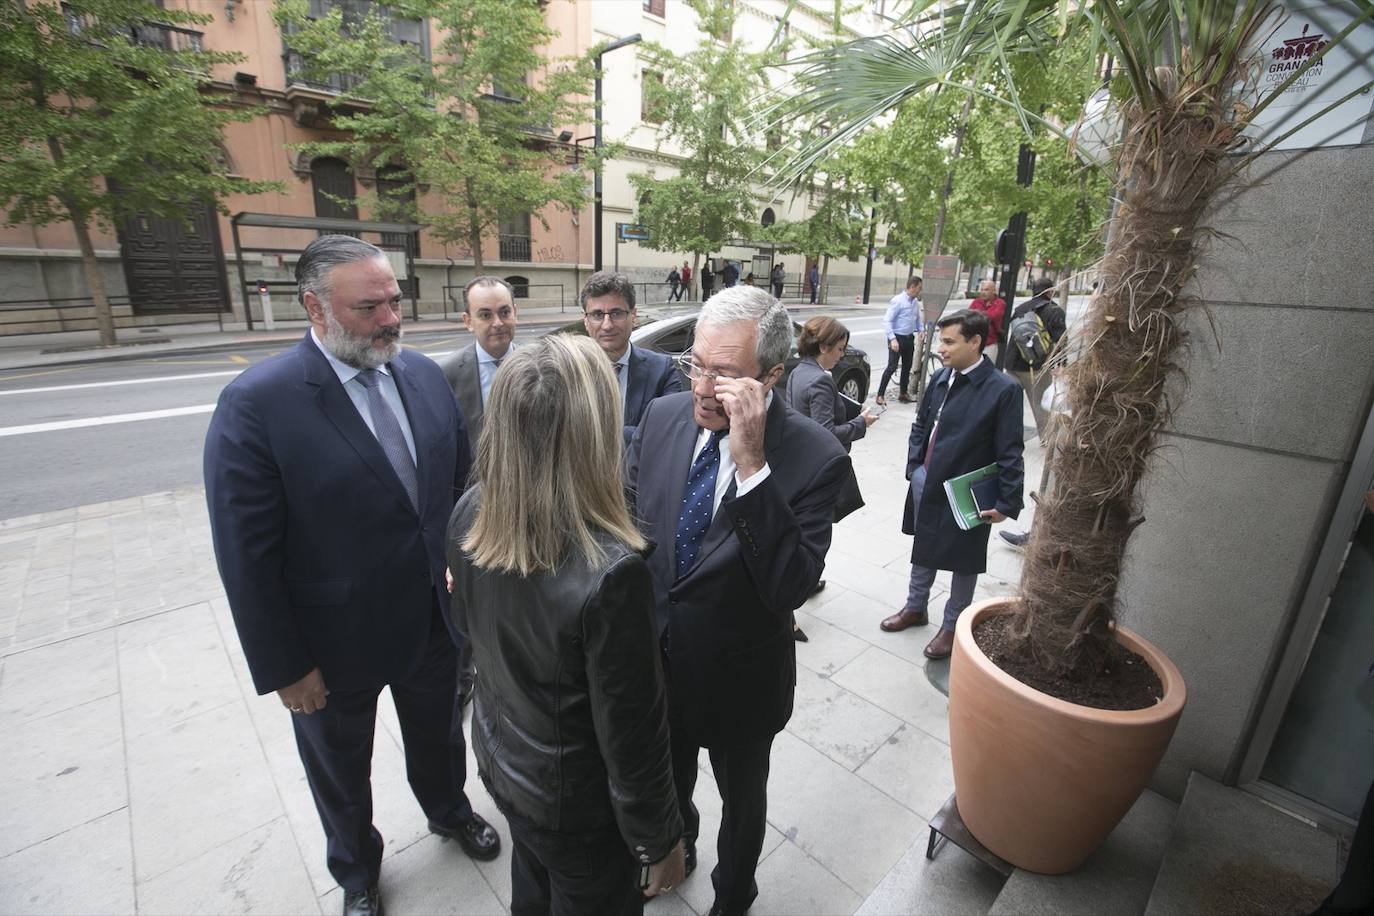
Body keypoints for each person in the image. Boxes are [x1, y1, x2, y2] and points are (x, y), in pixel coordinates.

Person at [203, 236, 500, 916]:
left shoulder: (422, 375)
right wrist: (285, 665)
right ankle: (358, 870)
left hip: (432, 620)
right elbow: (244, 554)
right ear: (314, 306)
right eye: (370, 307)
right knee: (338, 767)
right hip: (330, 646)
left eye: (395, 300)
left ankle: (448, 809)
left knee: (439, 734)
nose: (391, 319)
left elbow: (458, 490)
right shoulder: (257, 403)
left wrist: (466, 574)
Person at [626, 287, 851, 915]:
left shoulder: (815, 456)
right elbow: (632, 527)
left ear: (772, 375)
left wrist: (751, 463)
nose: (701, 386)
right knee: (672, 780)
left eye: (723, 374)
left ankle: (734, 893)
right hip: (660, 666)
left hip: (741, 680)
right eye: (695, 364)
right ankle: (683, 843)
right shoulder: (665, 417)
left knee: (743, 801)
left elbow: (789, 587)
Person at [446, 333, 686, 916]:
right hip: (576, 810)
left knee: (532, 887)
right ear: (595, 428)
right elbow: (633, 736)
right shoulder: (612, 575)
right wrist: (660, 841)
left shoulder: (472, 509)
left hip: (507, 770)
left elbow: (468, 632)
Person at [881, 308, 1024, 661]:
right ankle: (915, 608)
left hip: (968, 488)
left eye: (949, 341)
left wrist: (1008, 502)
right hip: (927, 479)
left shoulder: (1003, 390)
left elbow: (1010, 450)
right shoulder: (942, 377)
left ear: (975, 342)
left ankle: (952, 625)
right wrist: (914, 467)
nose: (941, 349)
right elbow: (921, 424)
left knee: (965, 559)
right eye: (940, 341)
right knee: (924, 545)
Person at [786, 315, 879, 641]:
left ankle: (807, 582)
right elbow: (826, 433)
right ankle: (789, 612)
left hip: (799, 465)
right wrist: (862, 424)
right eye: (839, 348)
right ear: (823, 346)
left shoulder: (800, 371)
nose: (842, 354)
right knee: (812, 539)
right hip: (818, 473)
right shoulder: (821, 380)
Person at [580, 271, 683, 445]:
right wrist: (638, 432)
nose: (607, 325)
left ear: (633, 315)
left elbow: (669, 433)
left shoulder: (662, 370)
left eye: (616, 313)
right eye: (597, 315)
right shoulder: (567, 372)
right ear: (585, 320)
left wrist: (594, 432)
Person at [439, 276, 518, 460]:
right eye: (485, 315)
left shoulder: (539, 364)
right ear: (468, 321)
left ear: (515, 313)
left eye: (504, 312)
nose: (498, 323)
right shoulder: (446, 374)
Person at [1005, 276, 1067, 439]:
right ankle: (1046, 438)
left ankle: (1006, 436)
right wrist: (1061, 365)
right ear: (1050, 292)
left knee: (1009, 405)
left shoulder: (1021, 308)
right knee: (1040, 404)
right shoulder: (1055, 311)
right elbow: (1061, 341)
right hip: (1035, 367)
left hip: (1011, 364)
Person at [876, 275, 922, 405]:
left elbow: (918, 319)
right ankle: (880, 394)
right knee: (892, 367)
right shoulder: (898, 301)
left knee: (907, 367)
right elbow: (887, 320)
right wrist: (892, 339)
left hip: (908, 338)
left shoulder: (915, 302)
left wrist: (921, 330)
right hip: (897, 338)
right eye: (919, 288)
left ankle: (903, 393)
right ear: (912, 287)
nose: (920, 291)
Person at [970, 279, 1007, 363]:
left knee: (986, 371)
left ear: (994, 291)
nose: (983, 292)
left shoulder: (1000, 303)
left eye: (986, 290)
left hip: (989, 344)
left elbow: (993, 316)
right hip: (974, 344)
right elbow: (968, 317)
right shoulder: (976, 302)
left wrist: (977, 314)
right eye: (982, 290)